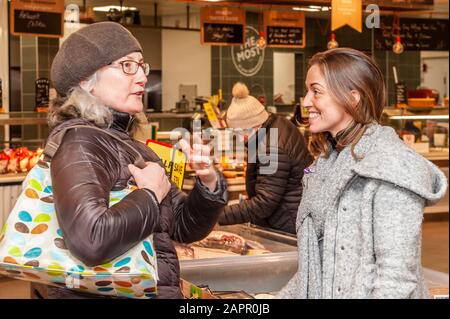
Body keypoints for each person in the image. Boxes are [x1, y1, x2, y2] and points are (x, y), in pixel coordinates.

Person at [44, 22, 227, 299]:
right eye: (128, 65)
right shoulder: (81, 142)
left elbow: (183, 227)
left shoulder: (130, 147)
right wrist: (150, 194)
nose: (142, 77)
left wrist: (208, 182)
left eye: (142, 66)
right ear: (86, 81)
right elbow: (90, 239)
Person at [278, 48, 447, 299]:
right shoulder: (327, 162)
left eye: (316, 91)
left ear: (352, 97)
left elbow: (396, 281)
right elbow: (315, 268)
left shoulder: (391, 166)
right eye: (307, 91)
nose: (305, 101)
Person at [218, 82, 313, 234]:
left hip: (286, 224)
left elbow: (264, 203)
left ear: (256, 125)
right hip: (288, 216)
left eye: (242, 132)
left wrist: (216, 217)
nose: (241, 139)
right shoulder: (276, 123)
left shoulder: (271, 148)